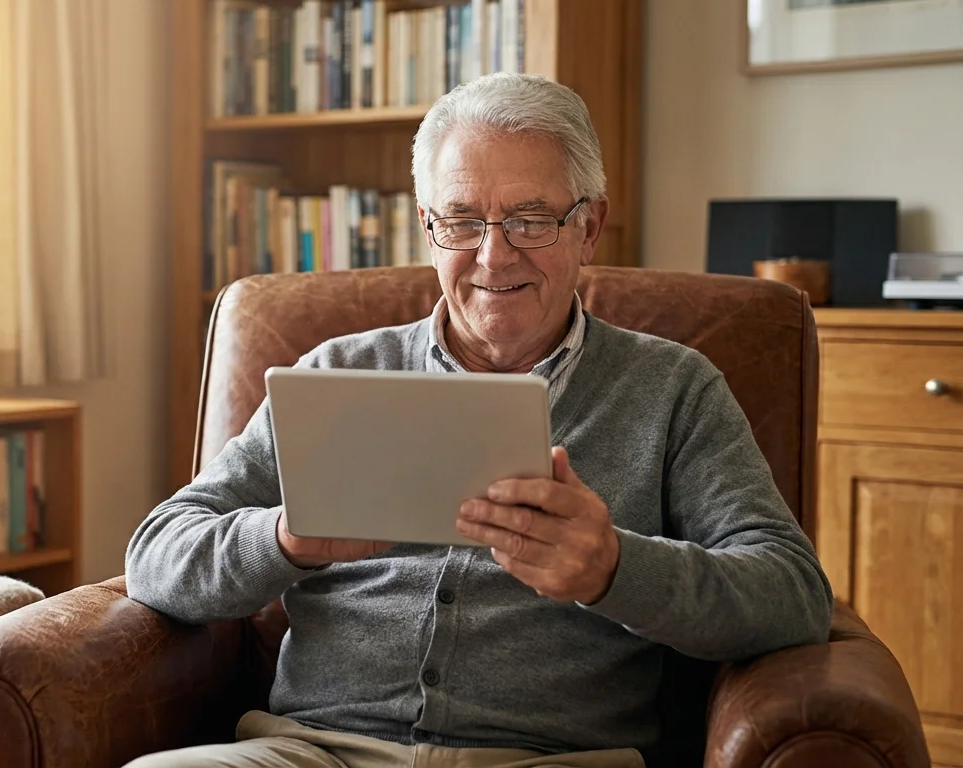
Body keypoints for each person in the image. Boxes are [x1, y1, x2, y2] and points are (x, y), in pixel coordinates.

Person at [122, 72, 833, 768]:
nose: (494, 255)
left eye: (530, 218)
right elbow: (155, 556)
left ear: (589, 227)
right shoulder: (337, 374)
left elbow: (791, 594)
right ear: (429, 229)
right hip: (312, 750)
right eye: (462, 220)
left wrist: (616, 567)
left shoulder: (673, 389)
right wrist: (285, 538)